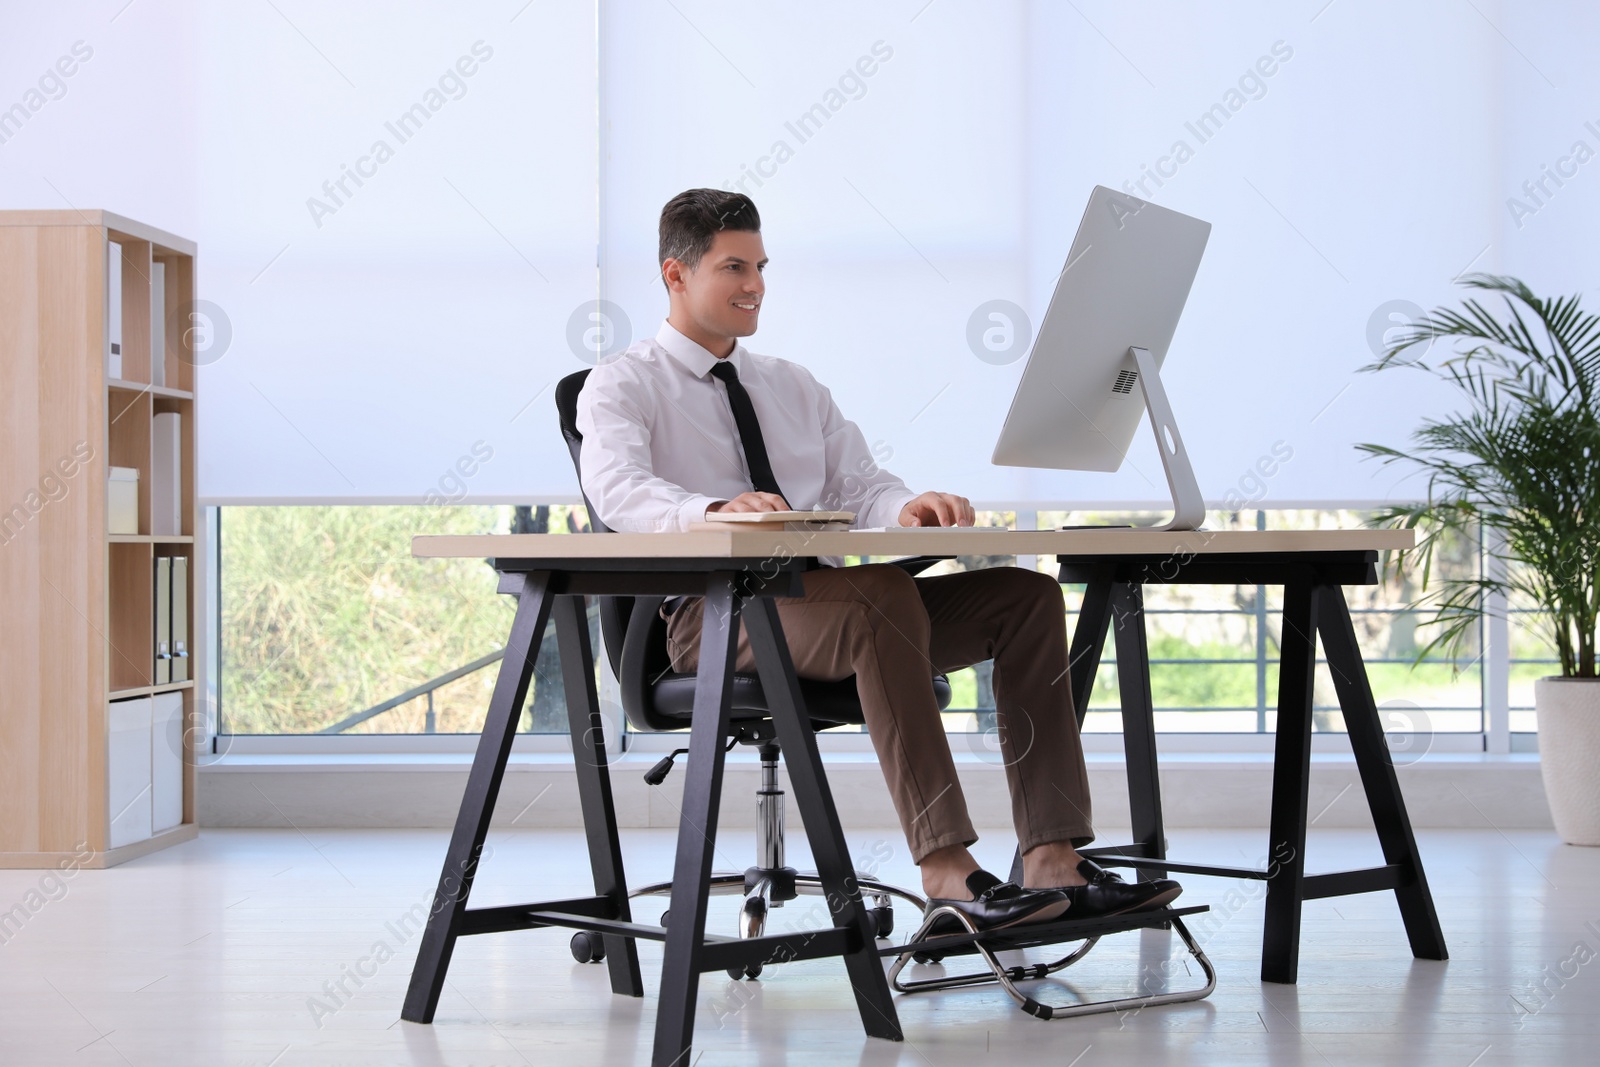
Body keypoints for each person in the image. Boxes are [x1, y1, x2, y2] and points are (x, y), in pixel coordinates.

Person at [575, 188, 1180, 931]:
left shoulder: (791, 385)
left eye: (761, 265)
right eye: (734, 267)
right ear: (676, 275)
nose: (756, 284)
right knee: (882, 596)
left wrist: (907, 508)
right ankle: (948, 870)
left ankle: (1052, 857)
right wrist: (712, 510)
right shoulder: (623, 383)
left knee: (1025, 599)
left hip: (829, 603)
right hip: (713, 617)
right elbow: (619, 491)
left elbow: (859, 486)